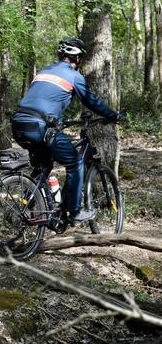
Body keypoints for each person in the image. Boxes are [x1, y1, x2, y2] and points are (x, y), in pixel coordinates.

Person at [11, 38, 125, 226]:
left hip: (19, 124)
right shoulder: (73, 76)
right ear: (77, 58)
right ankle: (74, 211)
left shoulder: (44, 71)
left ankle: (27, 203)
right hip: (40, 127)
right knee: (75, 163)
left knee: (44, 166)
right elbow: (92, 101)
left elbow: (43, 99)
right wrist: (114, 115)